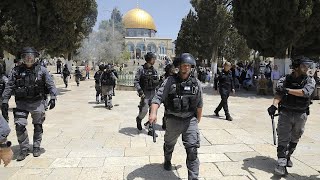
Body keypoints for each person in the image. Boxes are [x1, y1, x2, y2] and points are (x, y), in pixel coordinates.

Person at [148, 53, 202, 180]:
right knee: (169, 144)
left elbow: (199, 104)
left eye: (189, 66)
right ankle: (167, 159)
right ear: (179, 66)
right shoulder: (170, 81)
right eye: (184, 65)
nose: (186, 68)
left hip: (190, 120)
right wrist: (153, 112)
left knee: (192, 150)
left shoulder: (196, 83)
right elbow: (158, 97)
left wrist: (197, 120)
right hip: (173, 120)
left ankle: (193, 177)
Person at [1, 47, 57, 161]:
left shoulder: (42, 70)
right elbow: (9, 86)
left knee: (38, 125)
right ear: (23, 58)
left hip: (38, 102)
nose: (29, 59)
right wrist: (4, 101)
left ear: (35, 58)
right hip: (22, 103)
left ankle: (36, 146)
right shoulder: (16, 71)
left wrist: (53, 97)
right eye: (26, 57)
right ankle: (24, 149)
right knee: (20, 126)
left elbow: (50, 84)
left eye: (31, 57)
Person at [267, 56, 316, 176]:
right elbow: (279, 93)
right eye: (304, 66)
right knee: (283, 137)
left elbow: (305, 92)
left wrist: (287, 90)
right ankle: (281, 164)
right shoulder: (285, 79)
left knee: (295, 137)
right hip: (285, 113)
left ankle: (288, 156)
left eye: (307, 66)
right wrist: (274, 105)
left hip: (301, 115)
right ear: (297, 67)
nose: (307, 68)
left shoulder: (310, 81)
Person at [134, 52, 159, 135]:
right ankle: (139, 119)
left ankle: (151, 129)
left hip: (153, 93)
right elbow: (136, 81)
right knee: (144, 110)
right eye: (153, 59)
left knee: (153, 111)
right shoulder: (141, 69)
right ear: (148, 59)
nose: (154, 60)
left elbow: (157, 81)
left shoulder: (154, 70)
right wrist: (140, 91)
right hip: (145, 94)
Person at [158, 63, 176, 130]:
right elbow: (159, 86)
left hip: (173, 96)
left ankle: (169, 122)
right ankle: (165, 122)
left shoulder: (175, 76)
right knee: (167, 110)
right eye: (172, 68)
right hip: (166, 97)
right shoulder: (164, 77)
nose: (174, 69)